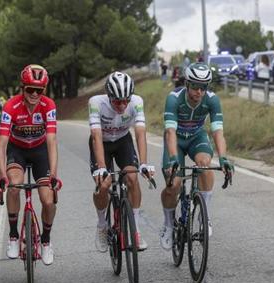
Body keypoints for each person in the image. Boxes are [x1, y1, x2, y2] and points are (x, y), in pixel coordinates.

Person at [159, 63, 233, 250]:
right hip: (176, 139)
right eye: (195, 87)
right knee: (173, 185)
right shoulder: (174, 99)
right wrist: (174, 158)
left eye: (204, 87)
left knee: (205, 165)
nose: (199, 91)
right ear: (187, 84)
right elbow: (169, 131)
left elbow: (217, 132)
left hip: (196, 138)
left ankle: (204, 216)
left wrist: (223, 158)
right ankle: (168, 225)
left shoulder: (212, 100)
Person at [0, 64, 62, 266]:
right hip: (18, 151)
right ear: (21, 87)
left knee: (48, 200)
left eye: (39, 90)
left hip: (40, 151)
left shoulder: (48, 105)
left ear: (44, 90)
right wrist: (1, 176)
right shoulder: (11, 107)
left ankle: (46, 241)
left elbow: (51, 141)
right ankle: (14, 236)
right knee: (14, 186)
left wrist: (54, 175)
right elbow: (1, 145)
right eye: (30, 89)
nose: (34, 94)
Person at [89, 71, 155, 252]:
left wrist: (143, 163)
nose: (122, 105)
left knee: (132, 178)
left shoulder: (137, 102)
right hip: (101, 142)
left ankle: (136, 230)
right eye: (117, 101)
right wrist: (102, 168)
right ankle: (102, 225)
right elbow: (96, 135)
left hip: (123, 141)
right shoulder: (96, 103)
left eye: (126, 100)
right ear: (109, 96)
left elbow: (140, 133)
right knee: (104, 184)